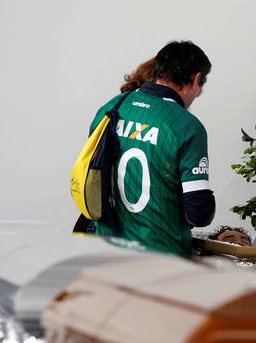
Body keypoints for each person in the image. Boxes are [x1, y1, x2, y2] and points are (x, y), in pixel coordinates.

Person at [86, 41, 216, 257]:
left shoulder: (110, 108)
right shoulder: (187, 126)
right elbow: (198, 213)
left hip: (106, 251)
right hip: (161, 258)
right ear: (196, 79)